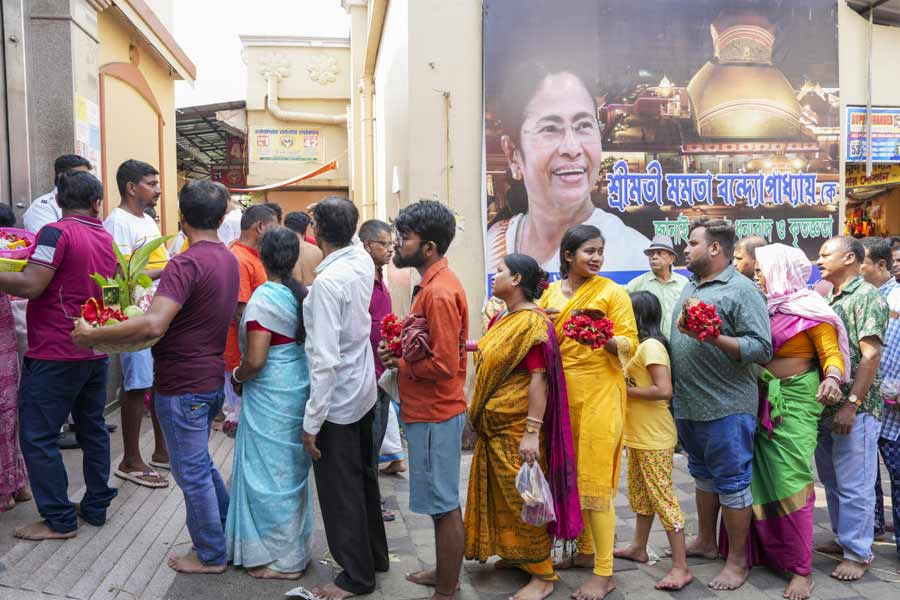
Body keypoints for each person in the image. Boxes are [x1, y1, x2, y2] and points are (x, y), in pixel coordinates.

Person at [72, 180, 240, 574]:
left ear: (182, 219)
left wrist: (92, 335)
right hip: (210, 378)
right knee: (200, 466)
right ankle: (227, 533)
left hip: (183, 383)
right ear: (220, 217)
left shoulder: (186, 262)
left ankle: (211, 554)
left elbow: (152, 326)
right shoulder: (227, 258)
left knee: (192, 472)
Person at [0, 170, 118, 540]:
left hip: (56, 351)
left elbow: (33, 285)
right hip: (95, 349)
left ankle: (58, 519)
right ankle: (96, 507)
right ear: (97, 203)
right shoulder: (105, 236)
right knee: (93, 429)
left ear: (59, 201)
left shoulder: (56, 232)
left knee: (37, 436)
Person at [734, 244, 849, 600]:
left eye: (763, 269)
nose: (758, 273)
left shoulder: (810, 309)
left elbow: (831, 354)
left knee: (792, 477)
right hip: (761, 398)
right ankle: (769, 552)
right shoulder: (764, 308)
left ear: (781, 270)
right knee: (759, 478)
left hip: (798, 400)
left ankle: (801, 569)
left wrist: (832, 377)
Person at [464, 253, 581, 600]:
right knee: (505, 494)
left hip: (517, 429)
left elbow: (538, 379)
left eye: (500, 271)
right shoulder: (506, 317)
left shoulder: (530, 324)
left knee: (524, 498)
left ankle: (543, 574)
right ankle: (517, 556)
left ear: (516, 280)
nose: (494, 276)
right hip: (495, 428)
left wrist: (531, 432)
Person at [537, 224, 639, 600]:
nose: (596, 258)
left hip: (600, 391)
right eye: (588, 251)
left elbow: (631, 343)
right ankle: (583, 552)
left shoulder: (613, 293)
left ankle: (604, 571)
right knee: (569, 475)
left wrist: (601, 338)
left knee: (595, 481)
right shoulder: (549, 292)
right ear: (568, 255)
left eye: (600, 251)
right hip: (561, 394)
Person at [670, 218, 772, 591]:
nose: (686, 248)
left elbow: (762, 349)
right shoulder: (691, 285)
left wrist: (714, 339)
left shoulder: (742, 290)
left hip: (727, 405)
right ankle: (707, 542)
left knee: (732, 482)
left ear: (715, 248)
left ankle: (737, 560)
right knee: (702, 475)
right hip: (690, 404)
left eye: (692, 242)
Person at [378, 200, 469, 600]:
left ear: (428, 247)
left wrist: (400, 361)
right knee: (438, 503)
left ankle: (446, 589)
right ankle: (443, 573)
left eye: (405, 238)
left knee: (445, 504)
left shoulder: (439, 293)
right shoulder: (432, 286)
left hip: (436, 413)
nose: (397, 245)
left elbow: (444, 365)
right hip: (428, 412)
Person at [300, 197, 389, 600]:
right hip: (362, 390)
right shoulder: (361, 262)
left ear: (315, 230)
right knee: (363, 478)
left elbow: (324, 361)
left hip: (338, 398)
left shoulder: (329, 283)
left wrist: (311, 424)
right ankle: (374, 557)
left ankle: (355, 576)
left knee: (340, 490)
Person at [486, 64, 650, 276]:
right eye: (550, 129)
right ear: (512, 154)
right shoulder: (494, 244)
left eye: (583, 126)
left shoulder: (634, 257)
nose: (572, 148)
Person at [226, 227, 314, 580]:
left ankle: (281, 560)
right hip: (295, 383)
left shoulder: (264, 299)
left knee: (268, 474)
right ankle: (293, 553)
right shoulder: (300, 295)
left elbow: (257, 359)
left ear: (262, 255)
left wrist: (236, 377)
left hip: (270, 389)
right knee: (288, 471)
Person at [813, 236, 889, 582]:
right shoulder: (829, 296)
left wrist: (852, 404)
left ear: (849, 257)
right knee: (832, 480)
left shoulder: (866, 296)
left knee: (855, 482)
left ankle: (859, 553)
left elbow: (870, 355)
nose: (818, 260)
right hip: (828, 409)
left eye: (825, 254)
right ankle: (846, 539)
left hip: (855, 410)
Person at [614, 291, 692, 591]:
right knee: (640, 495)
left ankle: (681, 567)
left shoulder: (651, 347)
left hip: (655, 437)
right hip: (639, 436)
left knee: (663, 499)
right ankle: (638, 546)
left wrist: (624, 391)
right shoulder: (638, 346)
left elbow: (663, 390)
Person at [104, 159, 170, 488]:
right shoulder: (118, 222)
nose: (158, 190)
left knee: (156, 382)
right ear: (131, 187)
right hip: (134, 314)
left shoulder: (146, 221)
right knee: (137, 385)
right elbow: (122, 275)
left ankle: (161, 450)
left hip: (154, 312)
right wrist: (174, 269)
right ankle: (130, 459)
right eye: (151, 183)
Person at [359, 219, 405, 509]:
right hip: (369, 373)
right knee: (368, 441)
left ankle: (372, 500)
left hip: (384, 371)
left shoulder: (380, 279)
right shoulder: (362, 280)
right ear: (367, 245)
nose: (390, 250)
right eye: (384, 244)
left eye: (392, 244)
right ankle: (369, 502)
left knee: (376, 439)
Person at [222, 205, 279, 422]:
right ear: (261, 226)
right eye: (274, 226)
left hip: (253, 353)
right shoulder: (239, 259)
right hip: (241, 356)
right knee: (242, 422)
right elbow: (241, 314)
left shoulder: (253, 256)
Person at [861, 238, 900, 549]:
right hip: (868, 401)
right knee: (867, 473)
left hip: (894, 405)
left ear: (881, 266)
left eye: (861, 262)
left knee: (897, 476)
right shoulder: (863, 297)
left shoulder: (896, 298)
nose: (855, 268)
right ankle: (873, 526)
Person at [0, 204, 30, 513]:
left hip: (5, 336)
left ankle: (6, 490)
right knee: (8, 409)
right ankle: (17, 485)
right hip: (6, 336)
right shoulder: (14, 253)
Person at [625, 235, 688, 339]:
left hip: (679, 341)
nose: (654, 257)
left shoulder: (684, 283)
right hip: (650, 343)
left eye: (659, 253)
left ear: (671, 259)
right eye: (651, 254)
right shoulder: (637, 284)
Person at [22, 154, 92, 234]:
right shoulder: (42, 206)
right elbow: (49, 242)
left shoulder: (89, 204)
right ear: (61, 177)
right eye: (80, 176)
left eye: (88, 177)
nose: (86, 181)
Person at [285, 211, 323, 286]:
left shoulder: (281, 252)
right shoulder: (318, 251)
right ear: (305, 229)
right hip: (314, 293)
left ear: (286, 228)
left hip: (291, 295)